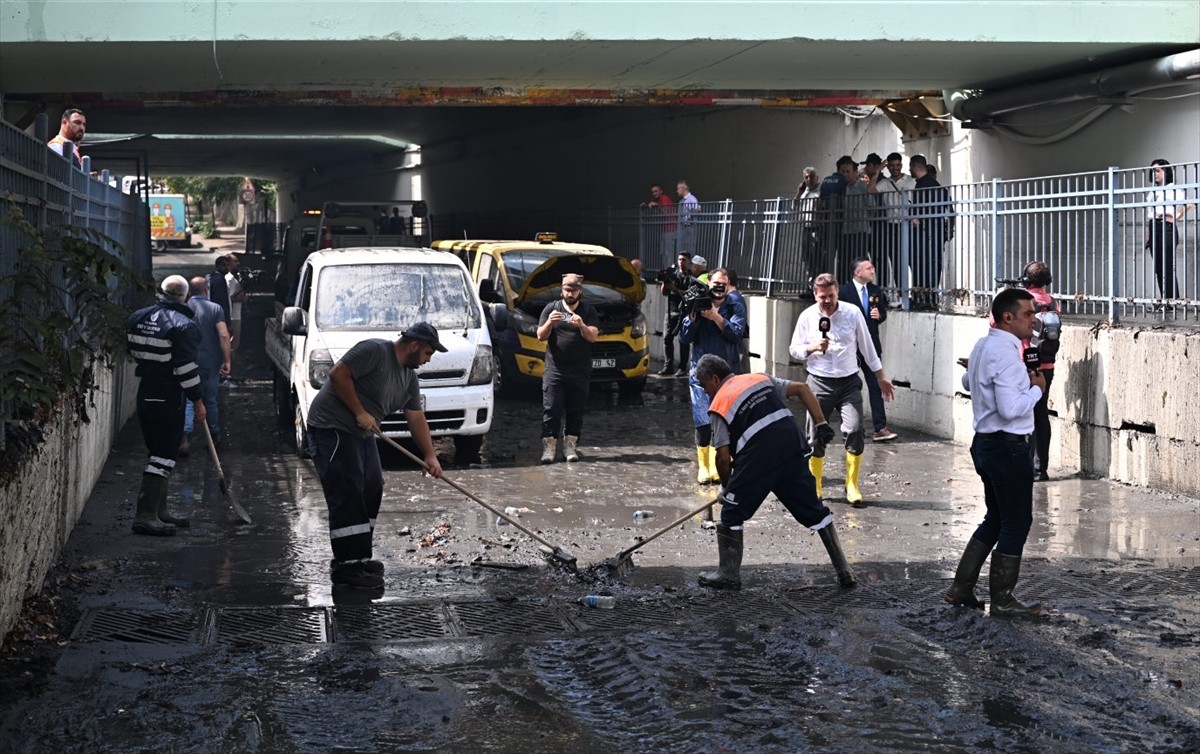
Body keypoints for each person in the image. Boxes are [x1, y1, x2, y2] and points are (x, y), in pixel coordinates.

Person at [693, 354, 854, 590]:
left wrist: (728, 490)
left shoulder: (719, 405)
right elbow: (802, 388)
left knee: (731, 514)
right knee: (814, 511)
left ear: (714, 379)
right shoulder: (759, 379)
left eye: (705, 386)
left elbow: (723, 458)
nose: (706, 393)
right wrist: (820, 423)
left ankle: (728, 574)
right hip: (792, 446)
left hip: (758, 458)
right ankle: (845, 571)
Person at [305, 323, 447, 589]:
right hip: (331, 427)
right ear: (414, 345)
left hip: (361, 433)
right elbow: (338, 374)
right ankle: (347, 567)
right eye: (428, 353)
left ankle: (358, 558)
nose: (428, 360)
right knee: (348, 490)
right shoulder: (374, 351)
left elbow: (415, 417)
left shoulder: (409, 378)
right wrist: (360, 411)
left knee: (371, 488)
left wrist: (430, 456)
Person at [946, 288, 1046, 618]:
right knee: (1016, 522)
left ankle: (961, 588)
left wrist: (976, 370)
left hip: (986, 445)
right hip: (1007, 447)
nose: (1034, 320)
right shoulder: (1006, 355)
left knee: (996, 518)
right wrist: (1036, 390)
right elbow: (1010, 408)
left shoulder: (984, 346)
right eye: (1028, 314)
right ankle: (1002, 599)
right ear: (1008, 317)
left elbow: (969, 381)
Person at [788, 273, 895, 506]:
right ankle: (815, 484)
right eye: (822, 297)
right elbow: (794, 349)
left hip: (848, 382)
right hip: (818, 382)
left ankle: (852, 484)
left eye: (831, 296)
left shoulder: (852, 313)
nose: (827, 301)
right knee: (815, 435)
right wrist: (812, 348)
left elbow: (868, 348)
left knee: (856, 429)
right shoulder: (807, 316)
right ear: (815, 294)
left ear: (837, 292)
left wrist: (881, 378)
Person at [125, 275, 206, 536]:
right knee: (164, 454)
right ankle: (146, 516)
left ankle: (160, 512)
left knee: (158, 453)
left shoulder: (138, 317)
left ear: (161, 291)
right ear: (185, 297)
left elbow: (133, 351)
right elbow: (186, 369)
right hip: (168, 395)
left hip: (146, 390)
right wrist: (197, 399)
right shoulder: (185, 326)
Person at [679, 268, 747, 484]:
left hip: (727, 374)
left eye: (723, 284)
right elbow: (684, 337)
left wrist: (717, 317)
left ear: (728, 286)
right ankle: (703, 466)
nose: (719, 287)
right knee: (703, 421)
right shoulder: (698, 303)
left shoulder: (734, 304)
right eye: (715, 283)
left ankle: (721, 462)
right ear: (708, 284)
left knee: (726, 420)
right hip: (701, 373)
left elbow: (736, 334)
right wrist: (694, 315)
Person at [536, 273, 600, 464]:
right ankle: (549, 448)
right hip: (555, 370)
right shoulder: (551, 308)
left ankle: (570, 446)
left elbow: (593, 337)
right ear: (561, 290)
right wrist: (549, 322)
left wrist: (581, 324)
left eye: (573, 290)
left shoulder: (588, 311)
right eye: (566, 290)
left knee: (575, 410)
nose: (569, 294)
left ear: (580, 291)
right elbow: (540, 335)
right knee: (551, 409)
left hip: (579, 371)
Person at [840, 258, 898, 442]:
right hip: (850, 347)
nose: (873, 271)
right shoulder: (844, 291)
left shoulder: (875, 290)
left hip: (871, 346)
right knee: (846, 386)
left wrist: (879, 315)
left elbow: (883, 313)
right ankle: (849, 427)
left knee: (876, 384)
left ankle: (880, 427)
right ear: (857, 272)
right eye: (869, 268)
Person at [180, 276, 232, 458]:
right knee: (210, 400)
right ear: (206, 290)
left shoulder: (183, 309)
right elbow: (224, 335)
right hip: (210, 363)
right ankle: (215, 437)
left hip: (187, 362)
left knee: (188, 400)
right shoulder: (215, 308)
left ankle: (185, 439)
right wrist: (227, 360)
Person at [1019, 261, 1060, 480]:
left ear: (1026, 280)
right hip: (1048, 366)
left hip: (1026, 365)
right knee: (1041, 414)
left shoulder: (1023, 302)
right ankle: (1041, 468)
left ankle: (1026, 465)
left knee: (1025, 414)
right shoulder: (1054, 302)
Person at [1145, 159, 1194, 302]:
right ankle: (1166, 300)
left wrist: (1176, 217)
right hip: (1154, 227)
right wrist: (1149, 234)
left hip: (1167, 227)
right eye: (1153, 170)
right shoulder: (1152, 191)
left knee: (1167, 267)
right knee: (1158, 268)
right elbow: (1150, 214)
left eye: (1158, 170)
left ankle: (1172, 301)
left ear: (1166, 172)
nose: (1155, 173)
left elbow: (1189, 204)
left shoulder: (1173, 188)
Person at [908, 155, 952, 310]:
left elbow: (921, 211)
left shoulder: (924, 186)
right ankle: (930, 296)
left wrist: (917, 218)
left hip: (926, 234)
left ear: (915, 167)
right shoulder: (936, 185)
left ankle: (924, 297)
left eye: (910, 167)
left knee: (923, 265)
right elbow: (949, 209)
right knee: (933, 265)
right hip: (936, 233)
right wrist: (947, 233)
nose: (909, 170)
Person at [874, 152, 916, 289]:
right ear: (888, 167)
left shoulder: (911, 181)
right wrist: (878, 171)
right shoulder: (885, 183)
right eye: (891, 166)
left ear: (901, 165)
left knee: (912, 260)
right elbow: (869, 190)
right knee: (896, 261)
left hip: (909, 224)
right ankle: (900, 293)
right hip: (891, 226)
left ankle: (915, 293)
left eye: (897, 165)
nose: (895, 168)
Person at [658, 252, 693, 376]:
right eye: (679, 259)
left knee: (683, 341)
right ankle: (668, 366)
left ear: (689, 262)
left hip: (683, 313)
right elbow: (663, 293)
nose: (681, 262)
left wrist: (675, 289)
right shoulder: (673, 275)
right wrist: (665, 282)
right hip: (670, 312)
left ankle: (682, 367)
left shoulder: (690, 277)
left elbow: (689, 295)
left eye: (683, 260)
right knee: (667, 339)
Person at [643, 183, 677, 258]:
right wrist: (646, 206)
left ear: (661, 191)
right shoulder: (659, 201)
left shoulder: (664, 198)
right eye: (652, 192)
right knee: (664, 252)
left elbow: (666, 212)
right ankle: (666, 268)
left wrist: (657, 205)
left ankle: (669, 269)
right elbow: (658, 213)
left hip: (670, 229)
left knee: (668, 252)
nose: (654, 193)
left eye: (656, 191)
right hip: (665, 229)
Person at [225, 253, 246, 360]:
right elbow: (228, 298)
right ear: (228, 264)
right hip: (233, 316)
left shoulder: (229, 277)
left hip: (234, 315)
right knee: (233, 344)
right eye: (235, 261)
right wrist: (241, 298)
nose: (238, 263)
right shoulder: (229, 279)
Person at [207, 255, 233, 326]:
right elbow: (221, 301)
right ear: (217, 266)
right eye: (224, 265)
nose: (227, 268)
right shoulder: (219, 280)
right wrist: (226, 321)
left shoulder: (213, 277)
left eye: (228, 265)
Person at [677, 180, 699, 253]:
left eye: (678, 189)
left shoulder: (691, 198)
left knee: (689, 247)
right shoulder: (684, 200)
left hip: (689, 226)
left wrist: (690, 216)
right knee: (684, 246)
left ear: (683, 188)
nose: (677, 191)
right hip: (684, 226)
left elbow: (697, 209)